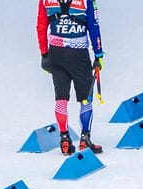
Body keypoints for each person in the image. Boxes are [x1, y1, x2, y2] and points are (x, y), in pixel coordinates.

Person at [37, 0, 104, 155]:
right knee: (85, 99)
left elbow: (41, 26)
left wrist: (44, 54)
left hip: (56, 54)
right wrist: (99, 55)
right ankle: (84, 138)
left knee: (61, 98)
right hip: (79, 55)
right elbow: (93, 27)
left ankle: (64, 138)